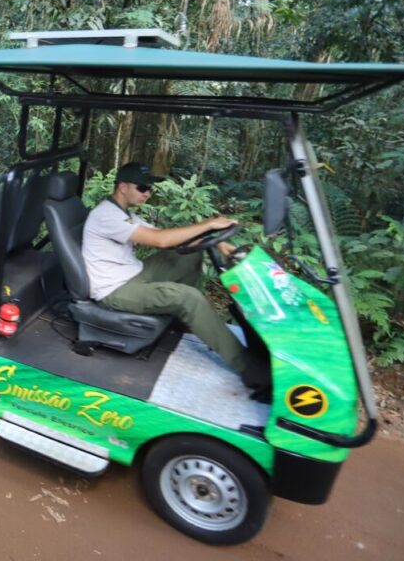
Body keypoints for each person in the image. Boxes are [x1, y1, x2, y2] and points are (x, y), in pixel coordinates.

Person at [82, 162, 266, 393]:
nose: (147, 194)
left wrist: (219, 242)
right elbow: (160, 240)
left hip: (134, 273)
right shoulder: (105, 215)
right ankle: (250, 368)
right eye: (142, 188)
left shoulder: (124, 214)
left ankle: (178, 318)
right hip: (114, 289)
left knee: (188, 256)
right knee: (189, 297)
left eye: (150, 189)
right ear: (122, 186)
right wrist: (209, 223)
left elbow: (171, 238)